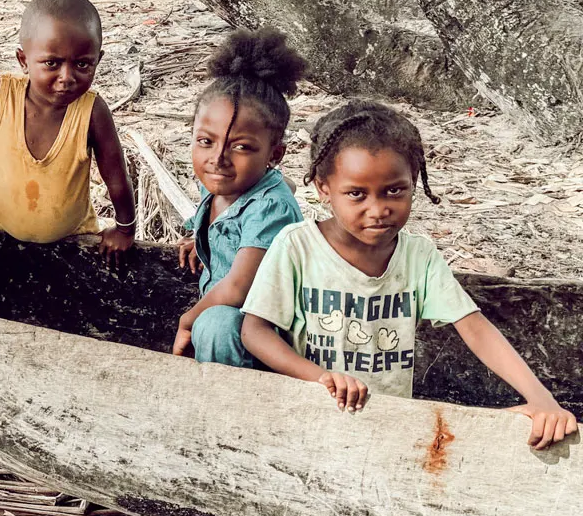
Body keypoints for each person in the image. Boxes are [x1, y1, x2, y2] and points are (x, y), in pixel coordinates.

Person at [241, 101, 578, 450]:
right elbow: (255, 331)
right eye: (356, 194)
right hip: (312, 417)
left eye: (394, 190)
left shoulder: (418, 256)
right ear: (324, 188)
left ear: (413, 182)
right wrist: (323, 379)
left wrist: (542, 399)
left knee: (519, 428)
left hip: (391, 422)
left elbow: (475, 329)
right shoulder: (298, 246)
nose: (378, 209)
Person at [0, 0, 135, 262]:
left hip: (75, 238)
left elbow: (116, 176)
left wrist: (125, 229)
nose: (67, 77)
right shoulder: (1, 94)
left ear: (98, 59)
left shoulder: (92, 112)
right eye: (52, 63)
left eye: (82, 64)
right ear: (23, 60)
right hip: (0, 229)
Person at [172, 28, 306, 366]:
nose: (218, 158)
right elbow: (283, 184)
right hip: (227, 317)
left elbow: (236, 290)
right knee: (213, 321)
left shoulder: (270, 208)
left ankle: (226, 406)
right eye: (206, 141)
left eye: (242, 147)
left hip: (260, 334)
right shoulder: (225, 181)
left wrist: (187, 321)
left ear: (275, 154)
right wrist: (205, 238)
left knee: (215, 324)